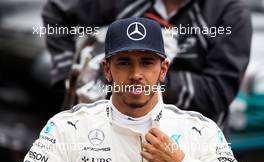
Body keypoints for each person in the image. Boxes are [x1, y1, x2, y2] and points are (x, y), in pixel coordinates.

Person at [16, 17, 245, 162]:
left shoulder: (201, 131)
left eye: (146, 63)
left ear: (163, 70)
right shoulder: (68, 128)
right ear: (107, 69)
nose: (136, 74)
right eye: (124, 62)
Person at [42, 0, 252, 130]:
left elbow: (218, 91)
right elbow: (56, 12)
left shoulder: (230, 12)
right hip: (112, 138)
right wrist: (71, 77)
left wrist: (150, 83)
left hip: (189, 146)